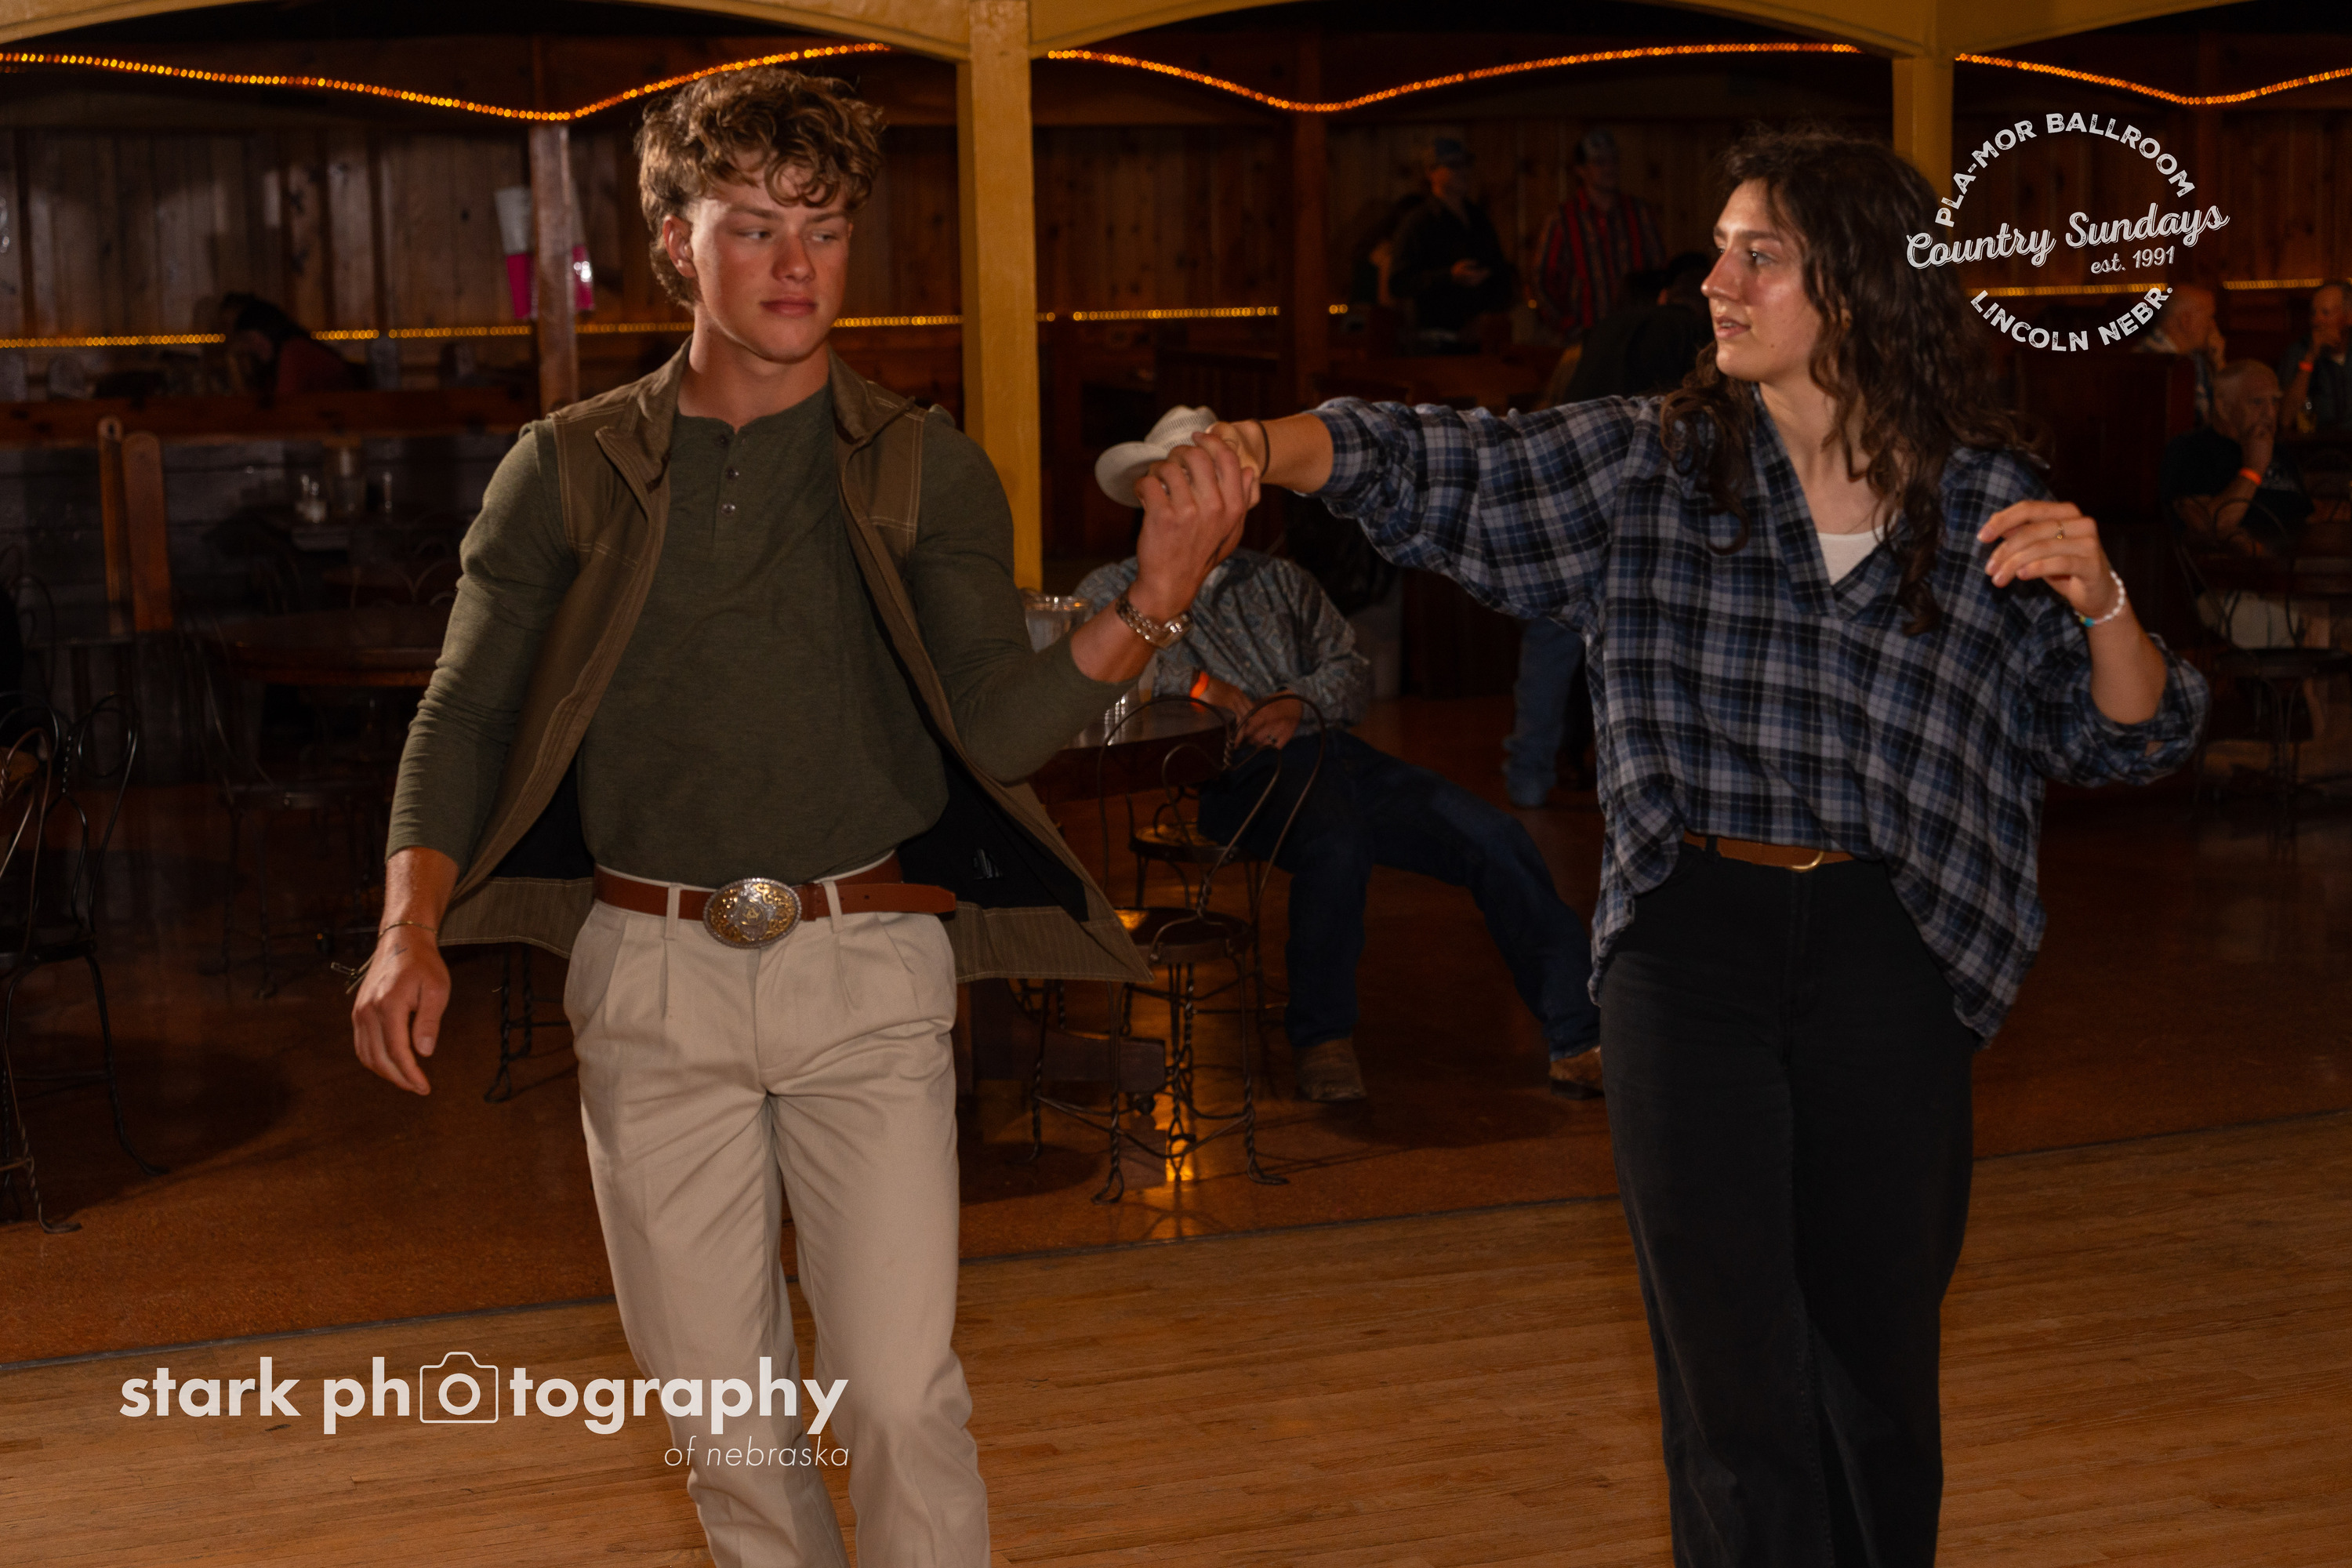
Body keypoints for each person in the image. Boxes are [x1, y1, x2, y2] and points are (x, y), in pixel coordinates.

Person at [1204, 127, 2207, 1566]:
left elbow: (2132, 737)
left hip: (1895, 951)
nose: (1719, 284)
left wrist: (2105, 599)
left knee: (1875, 1359)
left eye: (1760, 256)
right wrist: (1253, 449)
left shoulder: (1984, 499)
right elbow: (1430, 460)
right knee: (1729, 1377)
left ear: (1856, 284)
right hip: (1690, 949)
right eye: (1722, 250)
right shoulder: (1652, 464)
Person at [350, 67, 1248, 1568]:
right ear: (674, 242)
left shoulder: (921, 465)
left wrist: (1152, 602)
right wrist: (408, 926)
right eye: (755, 227)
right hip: (645, 975)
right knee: (732, 1432)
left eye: (824, 229)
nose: (795, 264)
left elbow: (998, 729)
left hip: (866, 967)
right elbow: (465, 713)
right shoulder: (567, 469)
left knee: (898, 1400)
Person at [1073, 544, 1602, 1102]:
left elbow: (1350, 669)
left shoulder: (1281, 577)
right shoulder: (1116, 587)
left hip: (1334, 751)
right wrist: (1197, 685)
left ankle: (1579, 1035)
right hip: (1236, 771)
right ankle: (1322, 1036)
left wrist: (1297, 700)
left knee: (1494, 836)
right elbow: (1092, 666)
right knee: (1336, 843)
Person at [1504, 254, 1718, 810]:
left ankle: (1527, 775)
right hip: (1646, 509)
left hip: (1572, 495)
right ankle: (1650, 790)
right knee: (1650, 653)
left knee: (1549, 644)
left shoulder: (1602, 332)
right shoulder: (1697, 339)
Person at [2161, 360, 2320, 650]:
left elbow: (2307, 524)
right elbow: (2211, 525)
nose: (2270, 413)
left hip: (2291, 582)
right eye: (2257, 402)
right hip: (2224, 590)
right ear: (2223, 407)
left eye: (2275, 402)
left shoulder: (2281, 453)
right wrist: (2253, 469)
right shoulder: (2191, 450)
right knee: (2298, 620)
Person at [1533, 128, 1668, 342]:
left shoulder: (1639, 212)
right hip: (1584, 335)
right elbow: (1542, 280)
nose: (1609, 168)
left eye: (1613, 160)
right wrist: (1567, 325)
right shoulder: (1562, 220)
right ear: (1581, 170)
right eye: (1599, 162)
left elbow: (1660, 268)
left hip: (1637, 333)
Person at [1386, 137, 1517, 352]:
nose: (1463, 171)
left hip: (1482, 342)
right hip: (1435, 345)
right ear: (1431, 172)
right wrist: (1449, 276)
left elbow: (1501, 271)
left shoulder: (1479, 219)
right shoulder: (1417, 223)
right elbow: (1398, 283)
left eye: (1466, 163)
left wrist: (1486, 315)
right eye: (1453, 165)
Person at [220, 292, 358, 395]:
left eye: (250, 339)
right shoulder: (283, 354)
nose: (249, 347)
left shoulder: (294, 351)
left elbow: (283, 405)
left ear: (269, 330)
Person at [2136, 281, 2223, 424]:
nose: (2212, 325)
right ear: (2185, 320)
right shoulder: (2149, 361)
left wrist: (2218, 361)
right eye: (2209, 317)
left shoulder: (2195, 358)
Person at [2277, 280, 2350, 434]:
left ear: (2349, 317)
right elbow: (2285, 419)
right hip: (2315, 444)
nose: (2317, 321)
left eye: (2326, 313)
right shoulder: (2298, 352)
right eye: (2313, 313)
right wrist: (2310, 357)